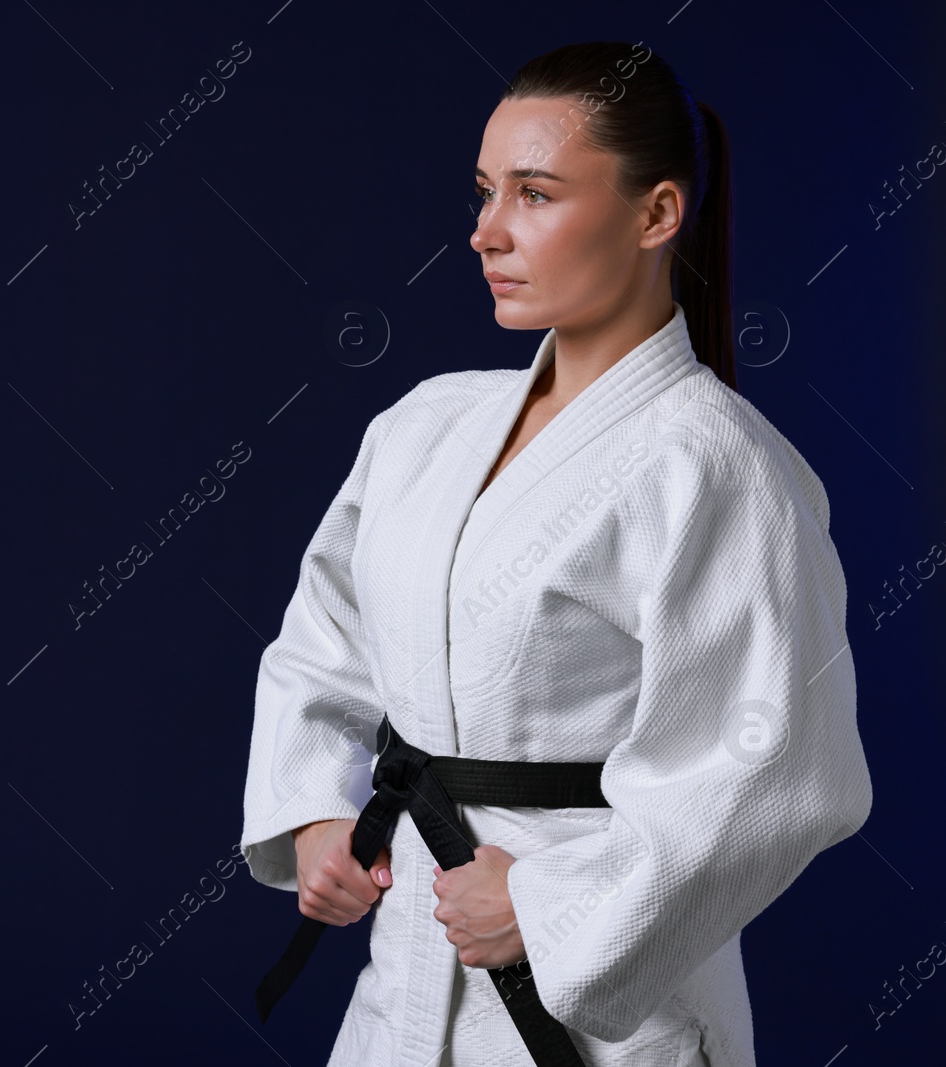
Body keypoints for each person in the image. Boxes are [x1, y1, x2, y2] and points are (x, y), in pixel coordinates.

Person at [238, 40, 872, 1067]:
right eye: (485, 193)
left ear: (656, 214)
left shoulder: (717, 466)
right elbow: (325, 638)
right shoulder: (424, 425)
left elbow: (777, 772)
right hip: (404, 978)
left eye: (533, 194)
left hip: (601, 1008)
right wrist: (314, 810)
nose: (486, 231)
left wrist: (544, 906)